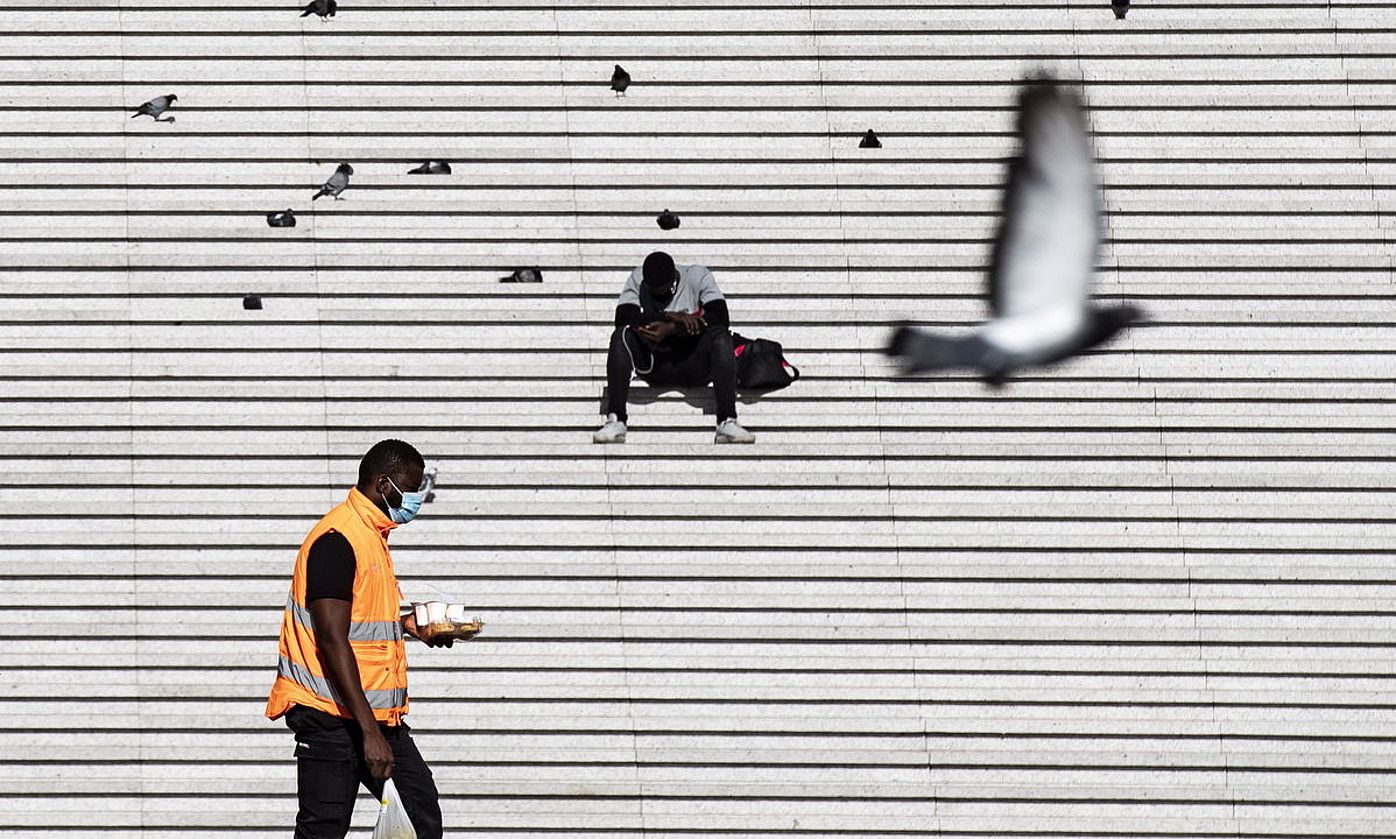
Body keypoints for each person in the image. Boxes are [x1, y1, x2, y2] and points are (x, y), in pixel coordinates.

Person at [266, 439, 467, 839]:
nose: (415, 499)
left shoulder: (371, 536)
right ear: (383, 485)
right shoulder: (337, 539)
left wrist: (411, 626)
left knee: (421, 816)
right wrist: (369, 733)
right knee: (322, 830)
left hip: (373, 716)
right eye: (410, 489)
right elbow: (331, 637)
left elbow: (363, 623)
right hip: (329, 717)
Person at [594, 251, 756, 444]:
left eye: (663, 291)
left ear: (674, 280)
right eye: (653, 292)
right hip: (655, 364)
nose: (658, 297)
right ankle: (616, 419)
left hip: (694, 364)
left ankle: (727, 420)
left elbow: (720, 316)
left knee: (722, 337)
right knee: (621, 336)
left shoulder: (698, 276)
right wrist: (669, 316)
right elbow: (623, 318)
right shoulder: (638, 277)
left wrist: (674, 329)